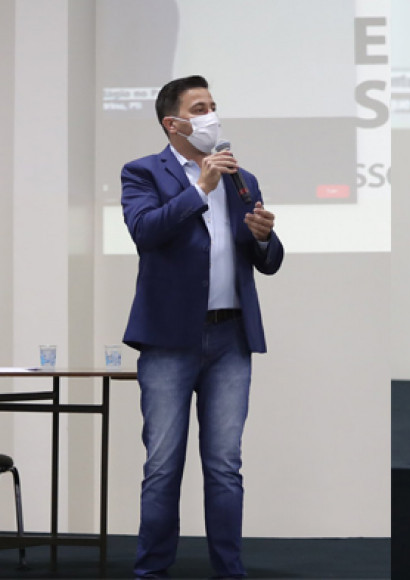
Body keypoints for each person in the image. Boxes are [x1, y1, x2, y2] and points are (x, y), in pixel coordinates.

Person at [121, 75, 284, 579]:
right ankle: (152, 571)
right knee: (163, 467)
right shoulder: (143, 172)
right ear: (174, 123)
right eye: (200, 107)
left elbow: (268, 260)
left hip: (230, 338)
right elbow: (146, 232)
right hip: (169, 340)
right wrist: (201, 187)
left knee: (224, 467)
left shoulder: (243, 178)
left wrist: (262, 237)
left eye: (214, 105)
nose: (212, 114)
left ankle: (229, 571)